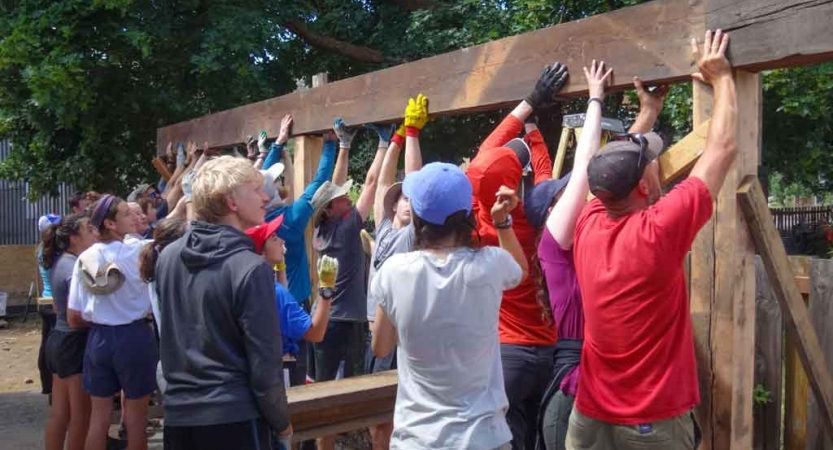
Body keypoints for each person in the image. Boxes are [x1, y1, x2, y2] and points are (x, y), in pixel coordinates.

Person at [566, 30, 735, 449]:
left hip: (588, 415)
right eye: (652, 163)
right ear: (643, 187)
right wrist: (723, 78)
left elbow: (610, 167)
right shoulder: (658, 230)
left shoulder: (589, 220)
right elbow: (724, 148)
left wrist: (650, 110)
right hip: (649, 422)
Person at [370, 163, 527, 450]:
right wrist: (502, 222)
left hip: (418, 439)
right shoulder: (491, 264)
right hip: (484, 437)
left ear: (418, 217)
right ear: (466, 216)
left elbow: (381, 348)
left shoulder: (394, 272)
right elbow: (520, 270)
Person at [465, 62, 568, 450]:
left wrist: (527, 105)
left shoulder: (479, 220)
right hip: (550, 351)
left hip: (507, 355)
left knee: (509, 437)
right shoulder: (539, 219)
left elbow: (484, 156)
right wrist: (533, 129)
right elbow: (543, 174)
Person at [155, 156, 289, 450]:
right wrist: (282, 421)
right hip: (235, 418)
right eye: (256, 190)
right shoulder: (251, 268)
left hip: (179, 418)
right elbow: (265, 362)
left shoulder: (167, 258)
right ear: (231, 201)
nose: (266, 196)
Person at [310, 117, 387, 450]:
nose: (348, 198)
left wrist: (344, 144)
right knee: (356, 391)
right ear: (332, 209)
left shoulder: (322, 233)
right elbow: (370, 183)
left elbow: (334, 188)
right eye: (342, 199)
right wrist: (385, 143)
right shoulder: (346, 226)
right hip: (349, 321)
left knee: (323, 391)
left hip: (323, 320)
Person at [66, 195, 158, 450]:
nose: (133, 217)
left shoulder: (85, 257)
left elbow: (74, 315)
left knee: (99, 418)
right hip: (134, 336)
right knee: (136, 420)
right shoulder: (139, 250)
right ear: (110, 223)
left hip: (99, 339)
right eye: (126, 214)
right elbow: (173, 228)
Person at [364, 94, 427, 450]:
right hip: (372, 332)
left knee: (398, 414)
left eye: (409, 197)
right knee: (377, 418)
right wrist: (396, 139)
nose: (404, 199)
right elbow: (385, 182)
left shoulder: (413, 234)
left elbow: (414, 183)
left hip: (399, 335)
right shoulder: (384, 229)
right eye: (399, 197)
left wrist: (415, 133)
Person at [258, 114, 339, 386]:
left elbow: (261, 181)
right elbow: (320, 182)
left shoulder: (256, 223)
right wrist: (330, 144)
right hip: (294, 303)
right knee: (295, 366)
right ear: (271, 195)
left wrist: (279, 144)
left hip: (267, 299)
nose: (283, 183)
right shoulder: (290, 220)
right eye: (278, 183)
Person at [42, 214, 98, 450]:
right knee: (81, 417)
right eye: (89, 229)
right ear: (75, 238)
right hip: (73, 343)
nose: (95, 232)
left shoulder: (60, 261)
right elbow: (78, 313)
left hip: (57, 339)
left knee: (60, 413)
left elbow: (57, 307)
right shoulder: (74, 265)